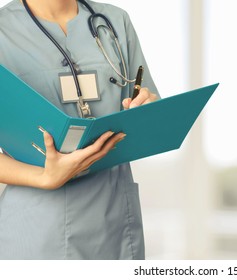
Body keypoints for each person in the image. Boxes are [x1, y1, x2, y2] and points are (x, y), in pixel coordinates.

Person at [0, 0, 159, 259]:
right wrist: (45, 177)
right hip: (37, 230)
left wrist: (149, 107)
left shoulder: (115, 22)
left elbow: (150, 113)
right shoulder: (4, 29)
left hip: (115, 223)